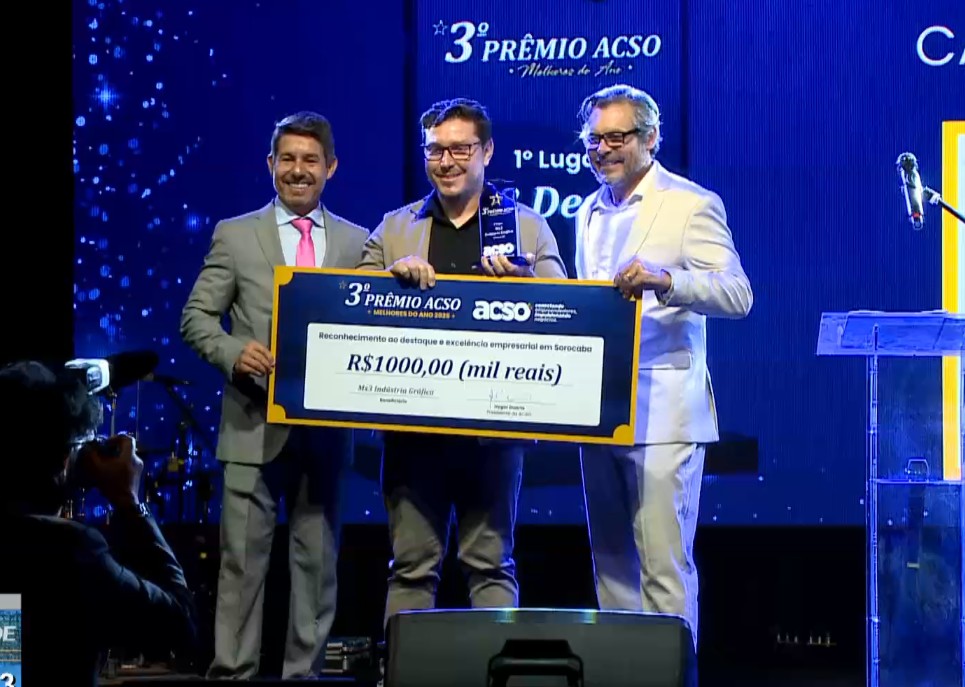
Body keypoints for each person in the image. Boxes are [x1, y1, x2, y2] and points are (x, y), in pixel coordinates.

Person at [357, 97, 567, 623]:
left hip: (494, 430)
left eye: (460, 149)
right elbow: (351, 302)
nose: (446, 161)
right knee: (410, 568)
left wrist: (526, 282)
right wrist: (388, 279)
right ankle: (402, 665)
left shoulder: (528, 227)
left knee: (491, 566)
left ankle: (494, 665)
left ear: (487, 152)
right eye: (435, 150)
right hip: (411, 429)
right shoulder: (395, 228)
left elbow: (567, 311)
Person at [180, 111, 367, 679]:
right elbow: (196, 318)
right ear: (270, 164)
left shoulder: (358, 242)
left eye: (311, 160)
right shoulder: (236, 234)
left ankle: (302, 676)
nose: (298, 170)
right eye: (287, 158)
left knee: (317, 570)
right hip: (251, 427)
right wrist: (234, 351)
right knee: (241, 568)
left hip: (324, 436)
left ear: (331, 167)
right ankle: (232, 674)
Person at [573, 84, 753, 646]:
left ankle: (671, 673)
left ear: (651, 138)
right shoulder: (587, 211)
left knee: (663, 568)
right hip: (599, 411)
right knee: (611, 567)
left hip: (665, 413)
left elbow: (737, 294)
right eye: (593, 140)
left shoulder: (690, 204)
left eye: (616, 137)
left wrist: (666, 280)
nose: (602, 150)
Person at [0, 360, 198, 687]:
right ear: (64, 460)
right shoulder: (72, 550)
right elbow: (180, 622)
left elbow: (8, 659)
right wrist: (129, 502)